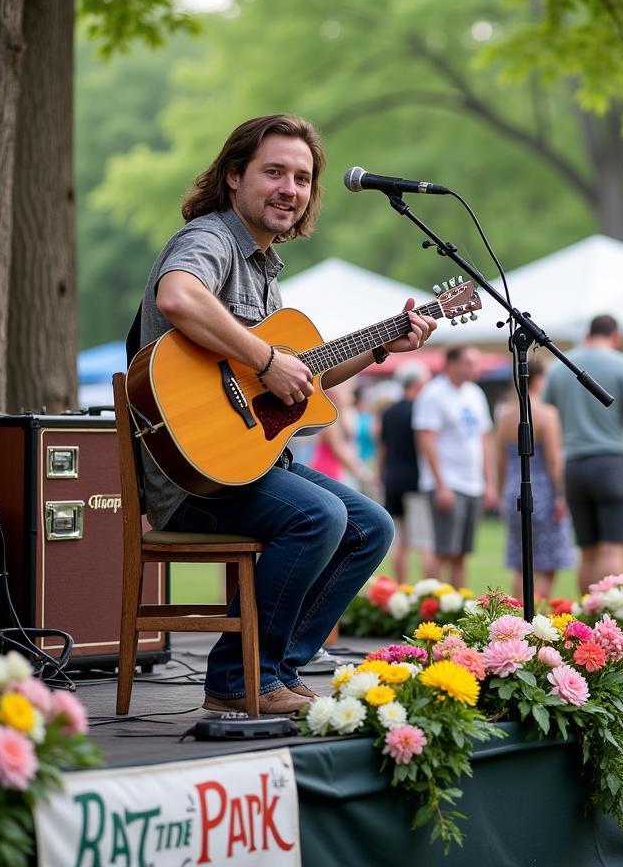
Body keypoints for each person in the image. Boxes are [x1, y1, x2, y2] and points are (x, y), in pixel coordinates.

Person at [137, 114, 436, 716]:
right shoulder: (213, 240)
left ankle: (274, 670)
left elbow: (299, 387)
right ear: (232, 177)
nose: (289, 189)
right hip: (191, 476)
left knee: (371, 526)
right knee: (319, 515)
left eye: (302, 178)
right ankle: (236, 678)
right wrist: (267, 355)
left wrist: (381, 346)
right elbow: (178, 296)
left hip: (240, 466)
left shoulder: (265, 272)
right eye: (273, 171)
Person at [543, 314, 623, 594]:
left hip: (575, 464)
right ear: (615, 335)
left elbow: (547, 408)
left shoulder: (560, 364)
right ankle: (610, 618)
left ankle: (586, 618)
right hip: (611, 461)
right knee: (613, 546)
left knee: (587, 550)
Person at [413, 345, 496, 588]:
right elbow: (426, 439)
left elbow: (484, 439)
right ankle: (431, 607)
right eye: (469, 363)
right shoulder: (433, 393)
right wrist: (440, 485)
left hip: (472, 484)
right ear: (451, 364)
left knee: (461, 553)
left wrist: (489, 483)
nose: (475, 369)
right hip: (448, 483)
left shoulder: (475, 393)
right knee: (442, 550)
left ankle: (457, 607)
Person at [494, 358, 574, 600]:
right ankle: (537, 617)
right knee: (549, 562)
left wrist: (501, 493)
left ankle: (518, 616)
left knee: (522, 562)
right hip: (542, 492)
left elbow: (499, 460)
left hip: (512, 489)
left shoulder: (504, 414)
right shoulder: (547, 413)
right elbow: (553, 460)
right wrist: (561, 494)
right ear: (539, 378)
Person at [379, 361, 436, 583]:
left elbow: (382, 447)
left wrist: (382, 475)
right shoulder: (422, 412)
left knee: (400, 541)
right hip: (416, 481)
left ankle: (401, 588)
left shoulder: (389, 412)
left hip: (393, 480)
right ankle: (426, 591)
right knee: (424, 542)